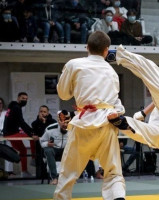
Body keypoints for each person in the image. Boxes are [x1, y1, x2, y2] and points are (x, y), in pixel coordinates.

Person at [54, 31, 126, 200]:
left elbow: (63, 94)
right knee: (113, 171)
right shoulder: (112, 72)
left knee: (68, 173)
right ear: (106, 51)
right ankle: (117, 197)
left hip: (84, 123)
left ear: (86, 47)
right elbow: (115, 101)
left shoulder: (74, 64)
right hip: (107, 122)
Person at [3, 92, 39, 177]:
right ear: (18, 98)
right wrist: (31, 133)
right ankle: (34, 158)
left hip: (11, 132)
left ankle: (24, 171)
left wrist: (31, 130)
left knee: (23, 150)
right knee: (33, 138)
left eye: (26, 99)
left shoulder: (13, 106)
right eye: (23, 98)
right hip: (11, 134)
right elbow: (21, 122)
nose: (25, 100)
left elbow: (19, 122)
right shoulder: (16, 108)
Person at [40, 110, 70, 185]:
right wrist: (47, 143)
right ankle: (54, 178)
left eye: (67, 123)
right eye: (63, 123)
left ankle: (71, 177)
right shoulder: (50, 129)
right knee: (48, 150)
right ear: (59, 122)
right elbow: (41, 142)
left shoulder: (73, 129)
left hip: (65, 151)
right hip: (54, 150)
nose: (65, 125)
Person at [31, 105, 57, 178]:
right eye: (41, 111)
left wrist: (44, 122)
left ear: (48, 113)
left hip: (49, 145)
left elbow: (49, 133)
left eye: (44, 112)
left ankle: (51, 175)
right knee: (40, 161)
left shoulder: (53, 122)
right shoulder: (34, 123)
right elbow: (35, 133)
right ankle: (41, 175)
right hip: (39, 146)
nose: (42, 113)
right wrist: (41, 122)